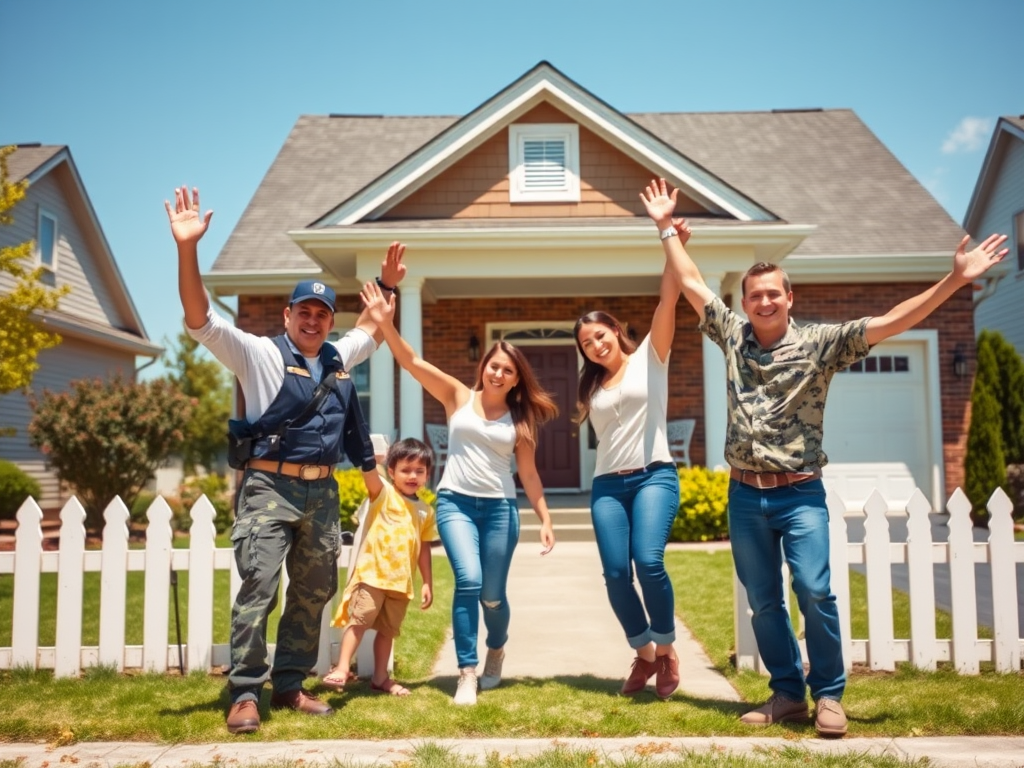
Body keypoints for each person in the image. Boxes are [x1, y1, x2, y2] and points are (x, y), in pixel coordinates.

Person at [642, 177, 1009, 737]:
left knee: (814, 590)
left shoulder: (821, 343)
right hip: (744, 494)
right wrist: (667, 228)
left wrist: (954, 280)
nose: (763, 301)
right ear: (743, 302)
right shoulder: (732, 334)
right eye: (754, 294)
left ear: (790, 297)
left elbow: (892, 322)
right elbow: (690, 281)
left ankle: (829, 695)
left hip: (800, 492)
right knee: (763, 601)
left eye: (773, 293)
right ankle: (786, 693)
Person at [166, 186, 407, 735]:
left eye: (323, 313)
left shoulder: (336, 357)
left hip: (321, 493)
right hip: (268, 489)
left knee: (313, 590)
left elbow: (370, 328)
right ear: (288, 314)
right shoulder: (256, 354)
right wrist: (188, 250)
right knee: (258, 586)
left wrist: (389, 285)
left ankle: (292, 684)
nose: (314, 320)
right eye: (305, 311)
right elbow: (200, 318)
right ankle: (245, 692)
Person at [360, 276, 558, 706]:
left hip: (501, 509)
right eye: (493, 364)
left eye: (507, 369)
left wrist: (544, 517)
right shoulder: (456, 396)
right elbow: (411, 362)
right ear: (483, 366)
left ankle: (497, 647)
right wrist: (385, 323)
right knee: (467, 580)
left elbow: (528, 474)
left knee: (492, 595)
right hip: (454, 503)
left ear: (515, 379)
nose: (498, 372)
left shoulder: (521, 421)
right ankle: (466, 672)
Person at [573, 227, 690, 699]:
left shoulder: (650, 359)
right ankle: (643, 655)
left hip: (654, 477)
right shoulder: (592, 388)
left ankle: (666, 650)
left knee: (649, 560)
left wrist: (670, 239)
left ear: (616, 329)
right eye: (586, 344)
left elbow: (668, 298)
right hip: (607, 486)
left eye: (599, 335)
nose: (595, 346)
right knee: (616, 574)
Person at [323, 438, 438, 696]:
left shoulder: (425, 511)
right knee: (360, 620)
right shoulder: (384, 494)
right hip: (373, 576)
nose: (412, 475)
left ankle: (380, 677)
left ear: (427, 475)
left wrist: (428, 582)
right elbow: (370, 475)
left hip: (401, 582)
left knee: (388, 631)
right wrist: (373, 459)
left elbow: (424, 548)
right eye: (405, 470)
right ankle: (342, 668)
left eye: (419, 471)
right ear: (392, 472)